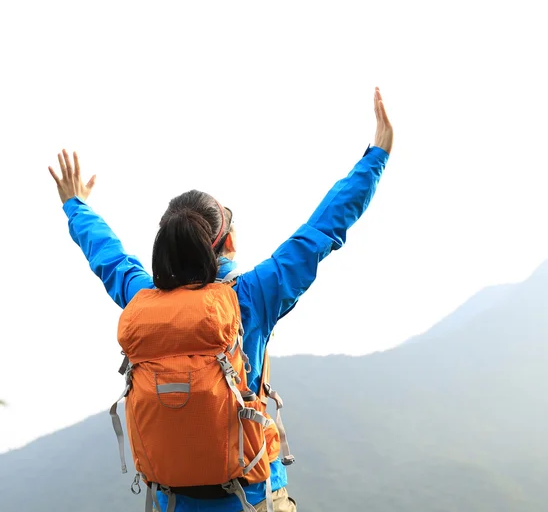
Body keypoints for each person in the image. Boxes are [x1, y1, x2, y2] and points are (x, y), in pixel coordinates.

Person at [48, 87, 393, 512]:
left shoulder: (142, 300)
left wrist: (75, 205)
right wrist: (376, 156)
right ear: (227, 239)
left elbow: (108, 257)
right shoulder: (253, 295)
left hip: (174, 503)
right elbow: (321, 230)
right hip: (251, 501)